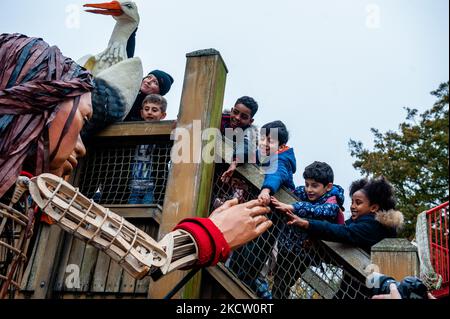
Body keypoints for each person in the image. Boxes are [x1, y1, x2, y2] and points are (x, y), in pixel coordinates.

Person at [0, 34, 272, 296]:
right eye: (84, 118)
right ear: (40, 107)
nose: (82, 146)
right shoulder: (42, 188)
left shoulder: (37, 188)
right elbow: (150, 257)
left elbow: (140, 252)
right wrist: (212, 234)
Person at [227, 120, 297, 298]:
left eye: (270, 141)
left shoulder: (283, 159)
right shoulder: (262, 153)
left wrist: (266, 189)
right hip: (255, 212)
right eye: (263, 139)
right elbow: (246, 151)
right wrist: (235, 162)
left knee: (253, 258)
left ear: (281, 145)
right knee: (240, 249)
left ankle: (262, 295)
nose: (265, 144)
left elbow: (277, 173)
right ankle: (236, 275)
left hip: (269, 218)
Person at [270, 161, 345, 299]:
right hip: (286, 245)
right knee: (279, 280)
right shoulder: (302, 192)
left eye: (314, 185)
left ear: (328, 187)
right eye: (307, 184)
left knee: (282, 282)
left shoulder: (332, 202)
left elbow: (320, 210)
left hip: (304, 253)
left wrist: (293, 207)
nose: (309, 189)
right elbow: (290, 191)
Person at [281, 176, 404, 253]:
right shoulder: (360, 222)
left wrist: (307, 224)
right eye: (352, 202)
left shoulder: (373, 226)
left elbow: (343, 232)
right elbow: (341, 228)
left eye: (358, 203)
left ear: (374, 207)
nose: (352, 206)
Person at [128, 94, 167, 204]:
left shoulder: (163, 134)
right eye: (146, 109)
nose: (149, 112)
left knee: (148, 206)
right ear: (141, 113)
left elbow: (166, 154)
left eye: (154, 110)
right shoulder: (134, 130)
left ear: (162, 115)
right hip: (133, 184)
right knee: (131, 208)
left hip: (151, 185)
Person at [220, 96, 260, 183]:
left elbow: (245, 146)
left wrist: (234, 162)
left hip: (229, 175)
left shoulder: (250, 133)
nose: (237, 117)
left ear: (250, 121)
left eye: (244, 117)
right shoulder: (219, 120)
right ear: (231, 110)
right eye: (235, 112)